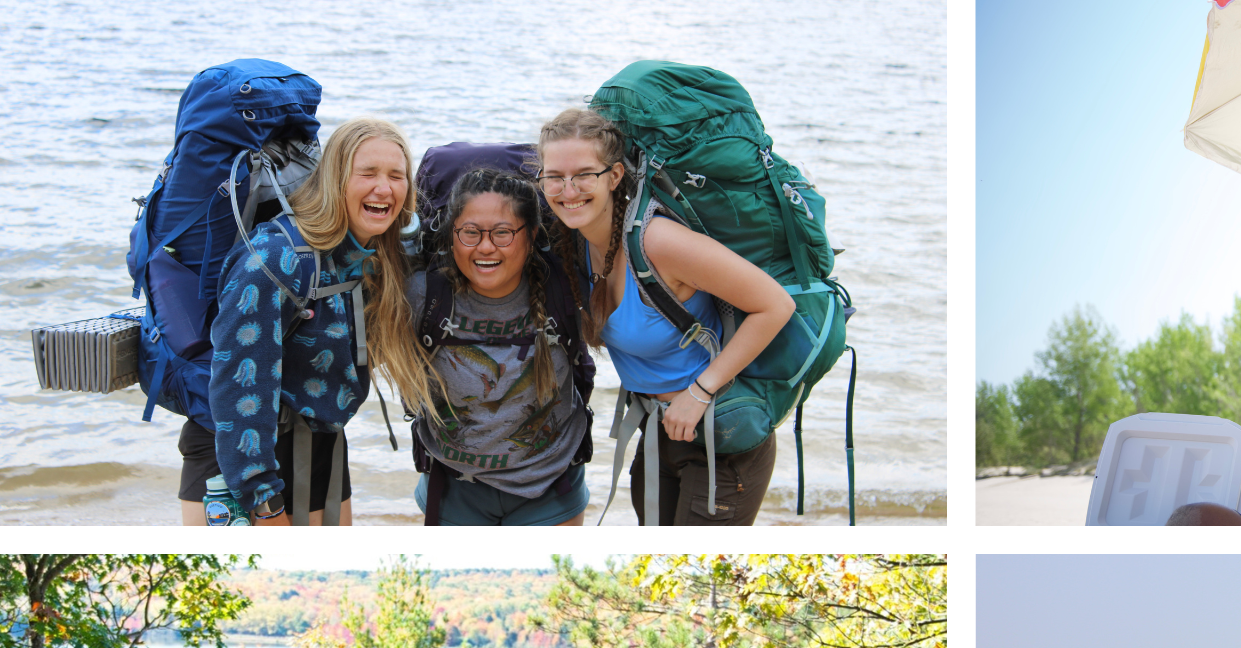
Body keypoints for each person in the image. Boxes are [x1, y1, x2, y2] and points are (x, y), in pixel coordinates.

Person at [537, 108, 795, 525]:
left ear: (615, 176)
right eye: (554, 176)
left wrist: (700, 392)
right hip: (658, 433)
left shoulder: (659, 242)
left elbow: (776, 305)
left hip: (721, 436)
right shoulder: (575, 242)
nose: (568, 190)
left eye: (585, 174)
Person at [188, 117, 419, 526]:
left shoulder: (372, 255)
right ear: (335, 179)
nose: (384, 188)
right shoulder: (278, 258)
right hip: (241, 453)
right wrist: (262, 499)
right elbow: (239, 384)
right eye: (367, 173)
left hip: (321, 440)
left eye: (396, 176)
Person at [398, 167, 593, 525]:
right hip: (453, 485)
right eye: (470, 232)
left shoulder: (566, 288)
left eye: (503, 233)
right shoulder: (421, 295)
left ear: (532, 234)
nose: (485, 247)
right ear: (451, 235)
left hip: (551, 483)